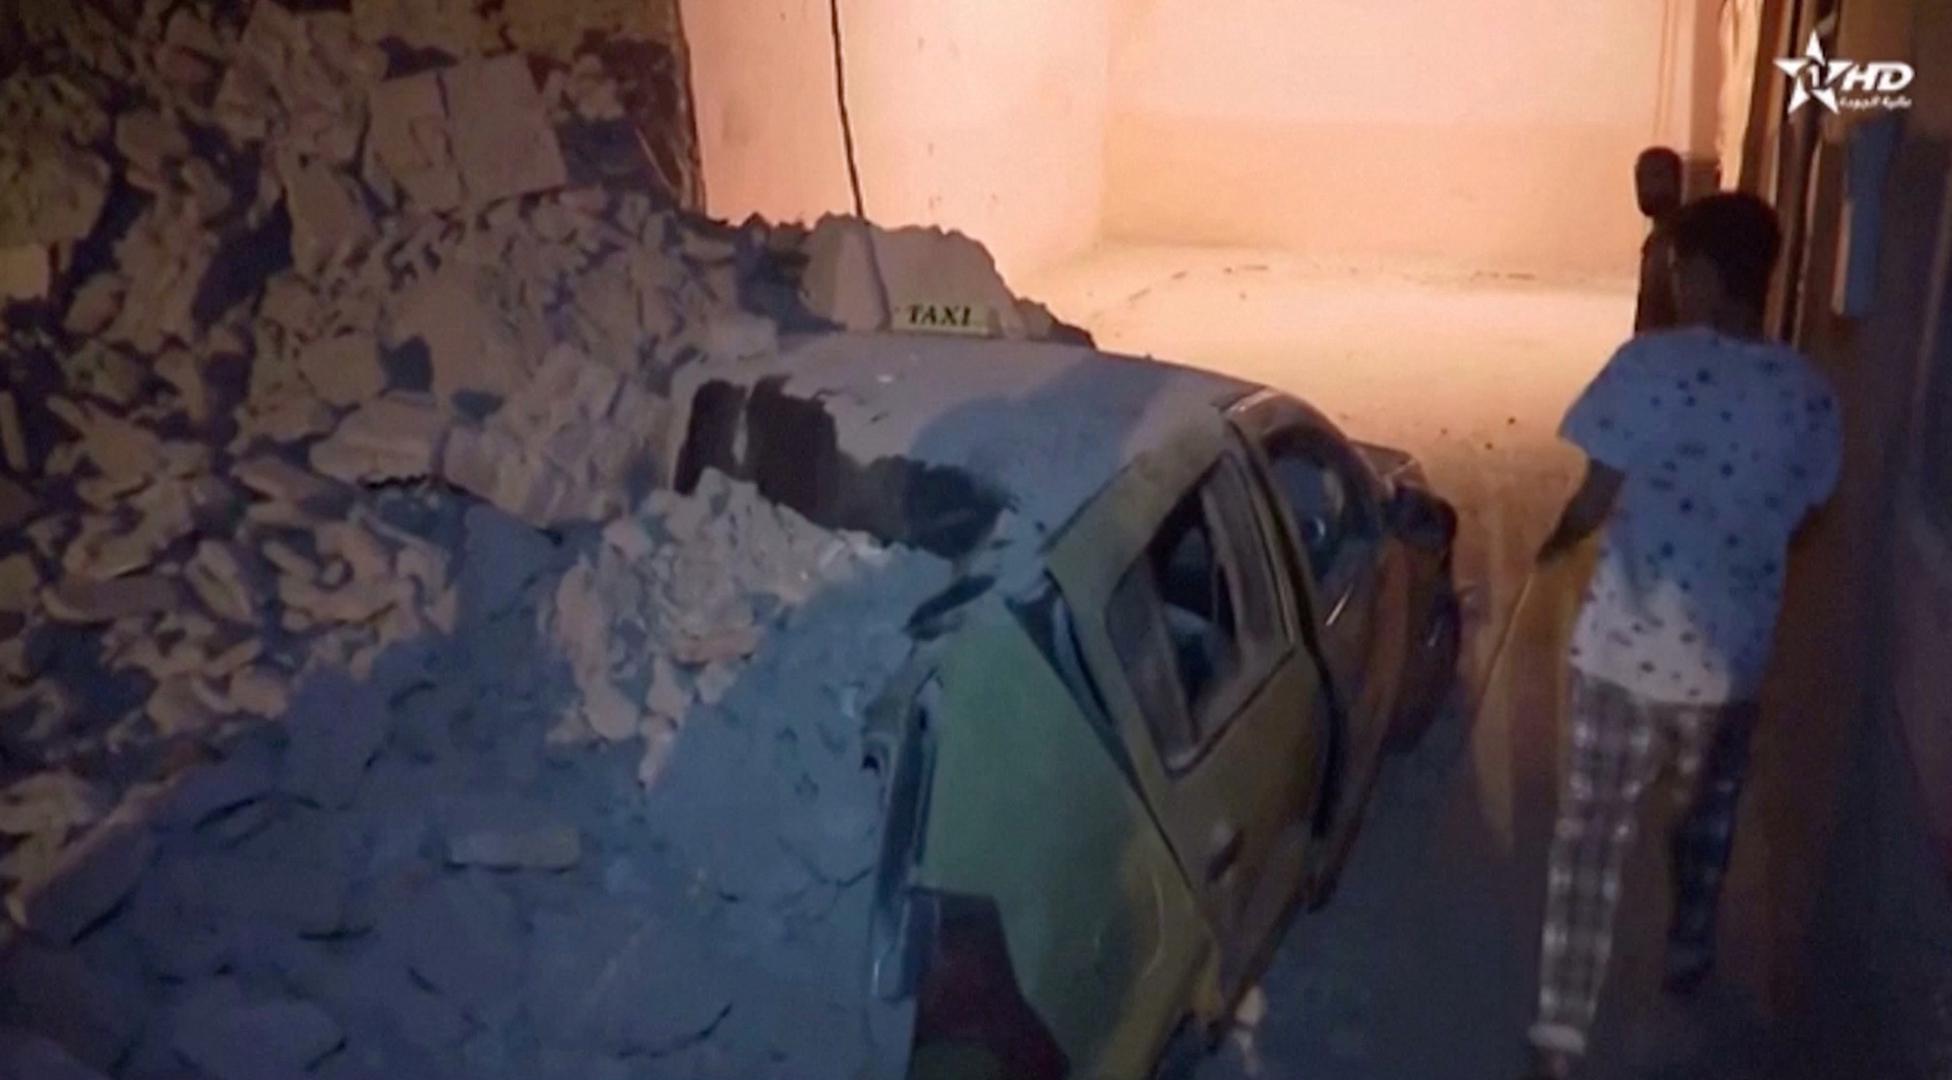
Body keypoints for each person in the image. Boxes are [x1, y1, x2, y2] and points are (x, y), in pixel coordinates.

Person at [1521, 192, 1842, 1080]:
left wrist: (1559, 539)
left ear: (1700, 273)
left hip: (1621, 651)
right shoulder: (1809, 393)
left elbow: (1595, 496)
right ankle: (1688, 956)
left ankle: (1558, 1035)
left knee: (1590, 841)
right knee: (1701, 829)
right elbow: (1805, 513)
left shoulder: (1647, 366)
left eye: (1677, 268)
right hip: (1728, 662)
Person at [1633, 147, 1686, 333]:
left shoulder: (1681, 243)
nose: (1644, 187)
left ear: (1678, 182)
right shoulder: (1655, 242)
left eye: (1656, 176)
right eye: (1640, 178)